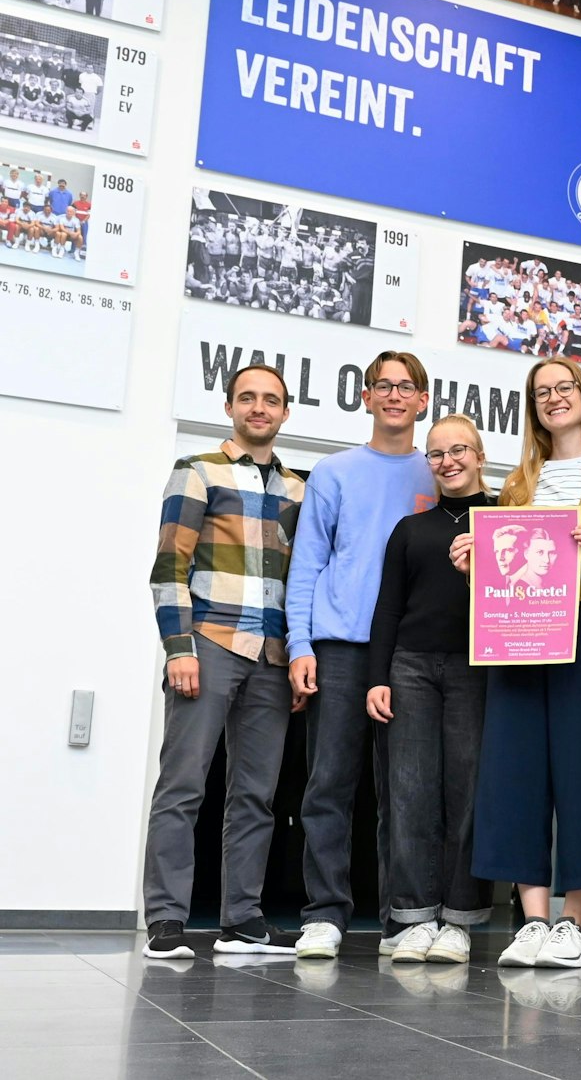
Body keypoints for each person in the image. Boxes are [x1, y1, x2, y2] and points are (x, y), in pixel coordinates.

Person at [460, 358, 581, 971]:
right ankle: (531, 920)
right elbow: (501, 570)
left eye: (564, 387)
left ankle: (572, 924)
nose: (554, 398)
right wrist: (473, 562)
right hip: (517, 632)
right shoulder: (517, 481)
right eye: (541, 392)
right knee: (514, 769)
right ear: (533, 408)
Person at [141, 364, 306, 960]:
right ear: (230, 407)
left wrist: (298, 654)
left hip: (272, 655)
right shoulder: (197, 471)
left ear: (285, 412)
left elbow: (302, 580)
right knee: (183, 787)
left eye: (271, 400)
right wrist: (179, 649)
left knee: (257, 796)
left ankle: (242, 920)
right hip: (209, 643)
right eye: (248, 398)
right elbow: (169, 567)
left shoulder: (298, 490)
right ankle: (166, 921)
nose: (259, 408)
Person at [291, 351, 438, 960]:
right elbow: (306, 565)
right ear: (367, 397)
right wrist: (300, 644)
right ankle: (324, 915)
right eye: (384, 385)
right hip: (341, 646)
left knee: (404, 792)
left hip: (407, 651)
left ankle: (401, 917)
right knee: (328, 783)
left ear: (423, 400)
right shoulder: (333, 472)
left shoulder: (438, 473)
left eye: (406, 387)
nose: (395, 395)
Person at [365, 415, 494, 965]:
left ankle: (460, 921)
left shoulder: (506, 521)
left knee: (468, 794)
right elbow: (388, 609)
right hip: (410, 669)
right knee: (411, 794)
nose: (448, 461)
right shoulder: (409, 529)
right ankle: (414, 918)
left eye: (458, 450)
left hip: (477, 669)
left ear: (480, 456)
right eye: (437, 454)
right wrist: (377, 677)